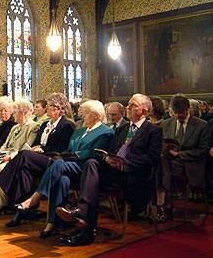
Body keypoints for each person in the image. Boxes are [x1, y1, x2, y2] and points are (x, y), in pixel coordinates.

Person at [56, 93, 162, 246]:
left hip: (132, 175)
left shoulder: (153, 130)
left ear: (144, 111)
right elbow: (111, 150)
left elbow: (152, 159)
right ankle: (82, 215)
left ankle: (85, 226)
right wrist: (107, 158)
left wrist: (125, 164)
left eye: (133, 105)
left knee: (91, 183)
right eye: (128, 104)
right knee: (92, 163)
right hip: (113, 171)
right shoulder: (123, 128)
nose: (128, 107)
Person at [14, 100, 114, 238]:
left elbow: (94, 153)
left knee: (58, 165)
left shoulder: (106, 132)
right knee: (61, 180)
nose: (82, 116)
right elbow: (67, 149)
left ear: (96, 115)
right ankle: (53, 223)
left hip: (87, 169)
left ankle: (35, 198)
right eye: (82, 113)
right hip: (70, 166)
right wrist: (65, 155)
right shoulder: (79, 131)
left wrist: (71, 155)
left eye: (85, 114)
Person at [0, 93, 76, 220]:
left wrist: (41, 149)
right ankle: (21, 212)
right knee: (23, 172)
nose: (46, 109)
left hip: (53, 160)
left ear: (58, 109)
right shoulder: (45, 125)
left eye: (49, 106)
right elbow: (36, 142)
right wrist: (36, 147)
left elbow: (61, 148)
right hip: (38, 157)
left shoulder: (67, 125)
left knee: (23, 153)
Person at [0, 99, 39, 216]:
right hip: (5, 153)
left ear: (23, 113)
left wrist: (9, 157)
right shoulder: (15, 127)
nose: (13, 116)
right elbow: (5, 144)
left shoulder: (33, 127)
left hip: (17, 157)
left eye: (15, 113)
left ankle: (0, 203)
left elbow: (27, 148)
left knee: (1, 169)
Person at [160, 94, 209, 220]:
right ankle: (164, 203)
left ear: (188, 109)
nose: (177, 116)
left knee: (160, 168)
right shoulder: (165, 124)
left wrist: (180, 154)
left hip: (190, 163)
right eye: (175, 113)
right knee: (161, 163)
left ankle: (163, 204)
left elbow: (203, 151)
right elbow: (161, 143)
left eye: (181, 113)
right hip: (170, 161)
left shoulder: (201, 125)